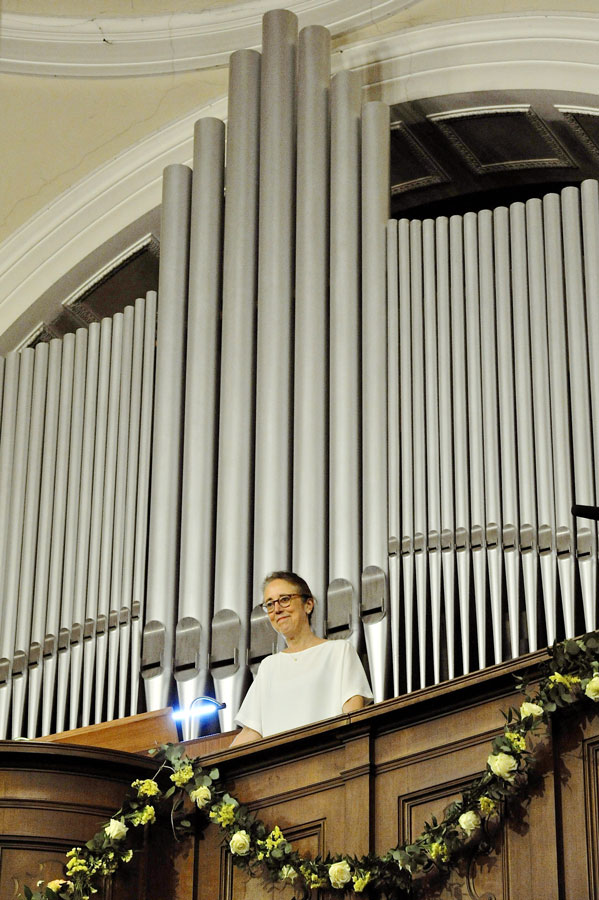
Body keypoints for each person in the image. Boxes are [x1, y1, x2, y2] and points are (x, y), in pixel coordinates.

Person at [231, 571, 373, 746]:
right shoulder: (269, 666)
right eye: (269, 604)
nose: (277, 609)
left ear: (308, 605)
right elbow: (252, 731)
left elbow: (353, 714)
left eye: (284, 599)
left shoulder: (338, 651)